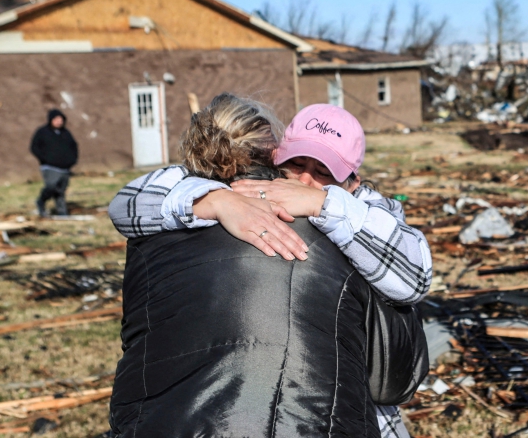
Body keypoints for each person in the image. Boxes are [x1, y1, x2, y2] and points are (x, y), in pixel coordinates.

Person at [110, 94, 428, 436]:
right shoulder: (242, 188)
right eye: (297, 164)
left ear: (352, 182)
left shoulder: (364, 207)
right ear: (277, 155)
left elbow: (416, 277)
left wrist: (325, 205)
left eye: (324, 173)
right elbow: (125, 204)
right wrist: (215, 201)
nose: (304, 180)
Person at [30, 108, 78, 217]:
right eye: (56, 119)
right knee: (51, 186)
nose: (59, 122)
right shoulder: (42, 132)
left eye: (61, 119)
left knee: (61, 191)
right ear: (51, 120)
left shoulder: (66, 133)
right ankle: (41, 201)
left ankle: (62, 212)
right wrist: (45, 159)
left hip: (65, 167)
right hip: (50, 167)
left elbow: (74, 147)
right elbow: (34, 147)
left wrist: (72, 160)